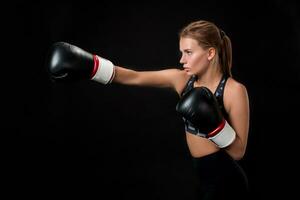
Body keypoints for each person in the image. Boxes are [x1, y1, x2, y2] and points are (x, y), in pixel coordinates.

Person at [45, 20, 250, 199]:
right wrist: (90, 65)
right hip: (200, 177)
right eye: (181, 52)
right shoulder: (182, 80)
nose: (182, 60)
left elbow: (238, 152)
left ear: (210, 53)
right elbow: (134, 76)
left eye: (188, 52)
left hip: (226, 179)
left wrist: (215, 125)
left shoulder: (234, 90)